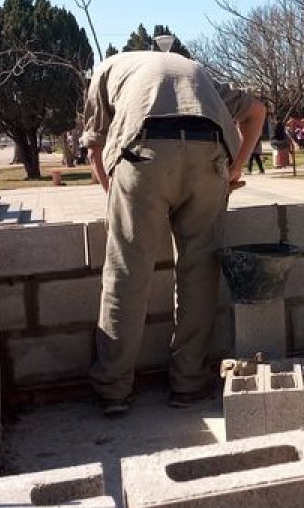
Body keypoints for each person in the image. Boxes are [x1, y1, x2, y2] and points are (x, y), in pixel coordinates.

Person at [81, 49, 266, 415]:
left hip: (144, 152)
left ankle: (114, 389)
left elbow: (96, 151)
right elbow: (257, 111)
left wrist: (116, 197)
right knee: (200, 272)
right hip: (209, 153)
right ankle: (189, 383)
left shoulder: (104, 72)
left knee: (127, 273)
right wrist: (235, 169)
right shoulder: (194, 71)